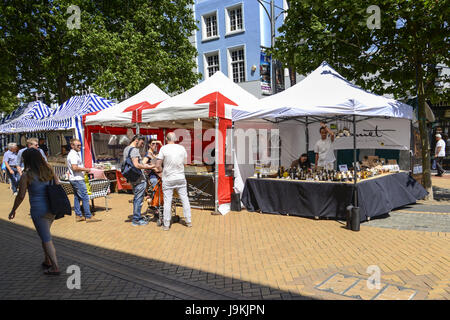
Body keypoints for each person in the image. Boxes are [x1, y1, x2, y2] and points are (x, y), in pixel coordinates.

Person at [8, 148, 61, 275]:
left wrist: (13, 210)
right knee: (45, 235)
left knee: (46, 238)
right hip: (51, 207)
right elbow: (57, 183)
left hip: (38, 210)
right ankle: (47, 260)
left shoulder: (27, 175)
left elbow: (21, 195)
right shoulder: (49, 170)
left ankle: (55, 266)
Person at [155, 132, 192, 231]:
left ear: (166, 139)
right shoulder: (182, 148)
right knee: (185, 199)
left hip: (168, 178)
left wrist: (161, 172)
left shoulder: (163, 148)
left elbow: (158, 164)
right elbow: (186, 163)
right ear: (175, 139)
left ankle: (166, 224)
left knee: (167, 201)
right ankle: (188, 221)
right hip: (180, 177)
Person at [123, 135, 155, 226]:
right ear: (136, 140)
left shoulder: (126, 149)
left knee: (137, 198)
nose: (142, 145)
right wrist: (148, 166)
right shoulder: (134, 150)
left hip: (132, 178)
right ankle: (136, 219)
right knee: (138, 199)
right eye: (141, 143)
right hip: (138, 178)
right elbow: (136, 165)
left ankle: (137, 217)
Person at [67, 139, 100, 223]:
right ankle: (88, 216)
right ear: (72, 146)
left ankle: (78, 215)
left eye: (80, 145)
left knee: (77, 197)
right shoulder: (73, 155)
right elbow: (74, 167)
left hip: (75, 178)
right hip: (77, 179)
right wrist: (85, 169)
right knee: (85, 197)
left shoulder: (74, 154)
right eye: (77, 145)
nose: (79, 147)